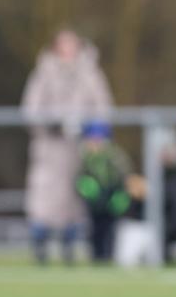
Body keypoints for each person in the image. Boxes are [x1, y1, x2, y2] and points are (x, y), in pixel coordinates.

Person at [21, 28, 113, 264]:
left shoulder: (91, 75)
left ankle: (70, 244)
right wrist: (53, 124)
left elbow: (103, 109)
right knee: (44, 195)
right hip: (49, 149)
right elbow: (30, 110)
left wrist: (93, 133)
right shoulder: (43, 74)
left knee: (77, 197)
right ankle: (40, 243)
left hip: (80, 150)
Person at [75, 121, 132, 263]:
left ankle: (108, 257)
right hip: (94, 202)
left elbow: (124, 176)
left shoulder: (114, 156)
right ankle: (96, 257)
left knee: (110, 231)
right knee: (94, 231)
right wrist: (86, 188)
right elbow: (79, 178)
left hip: (110, 199)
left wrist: (121, 195)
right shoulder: (85, 157)